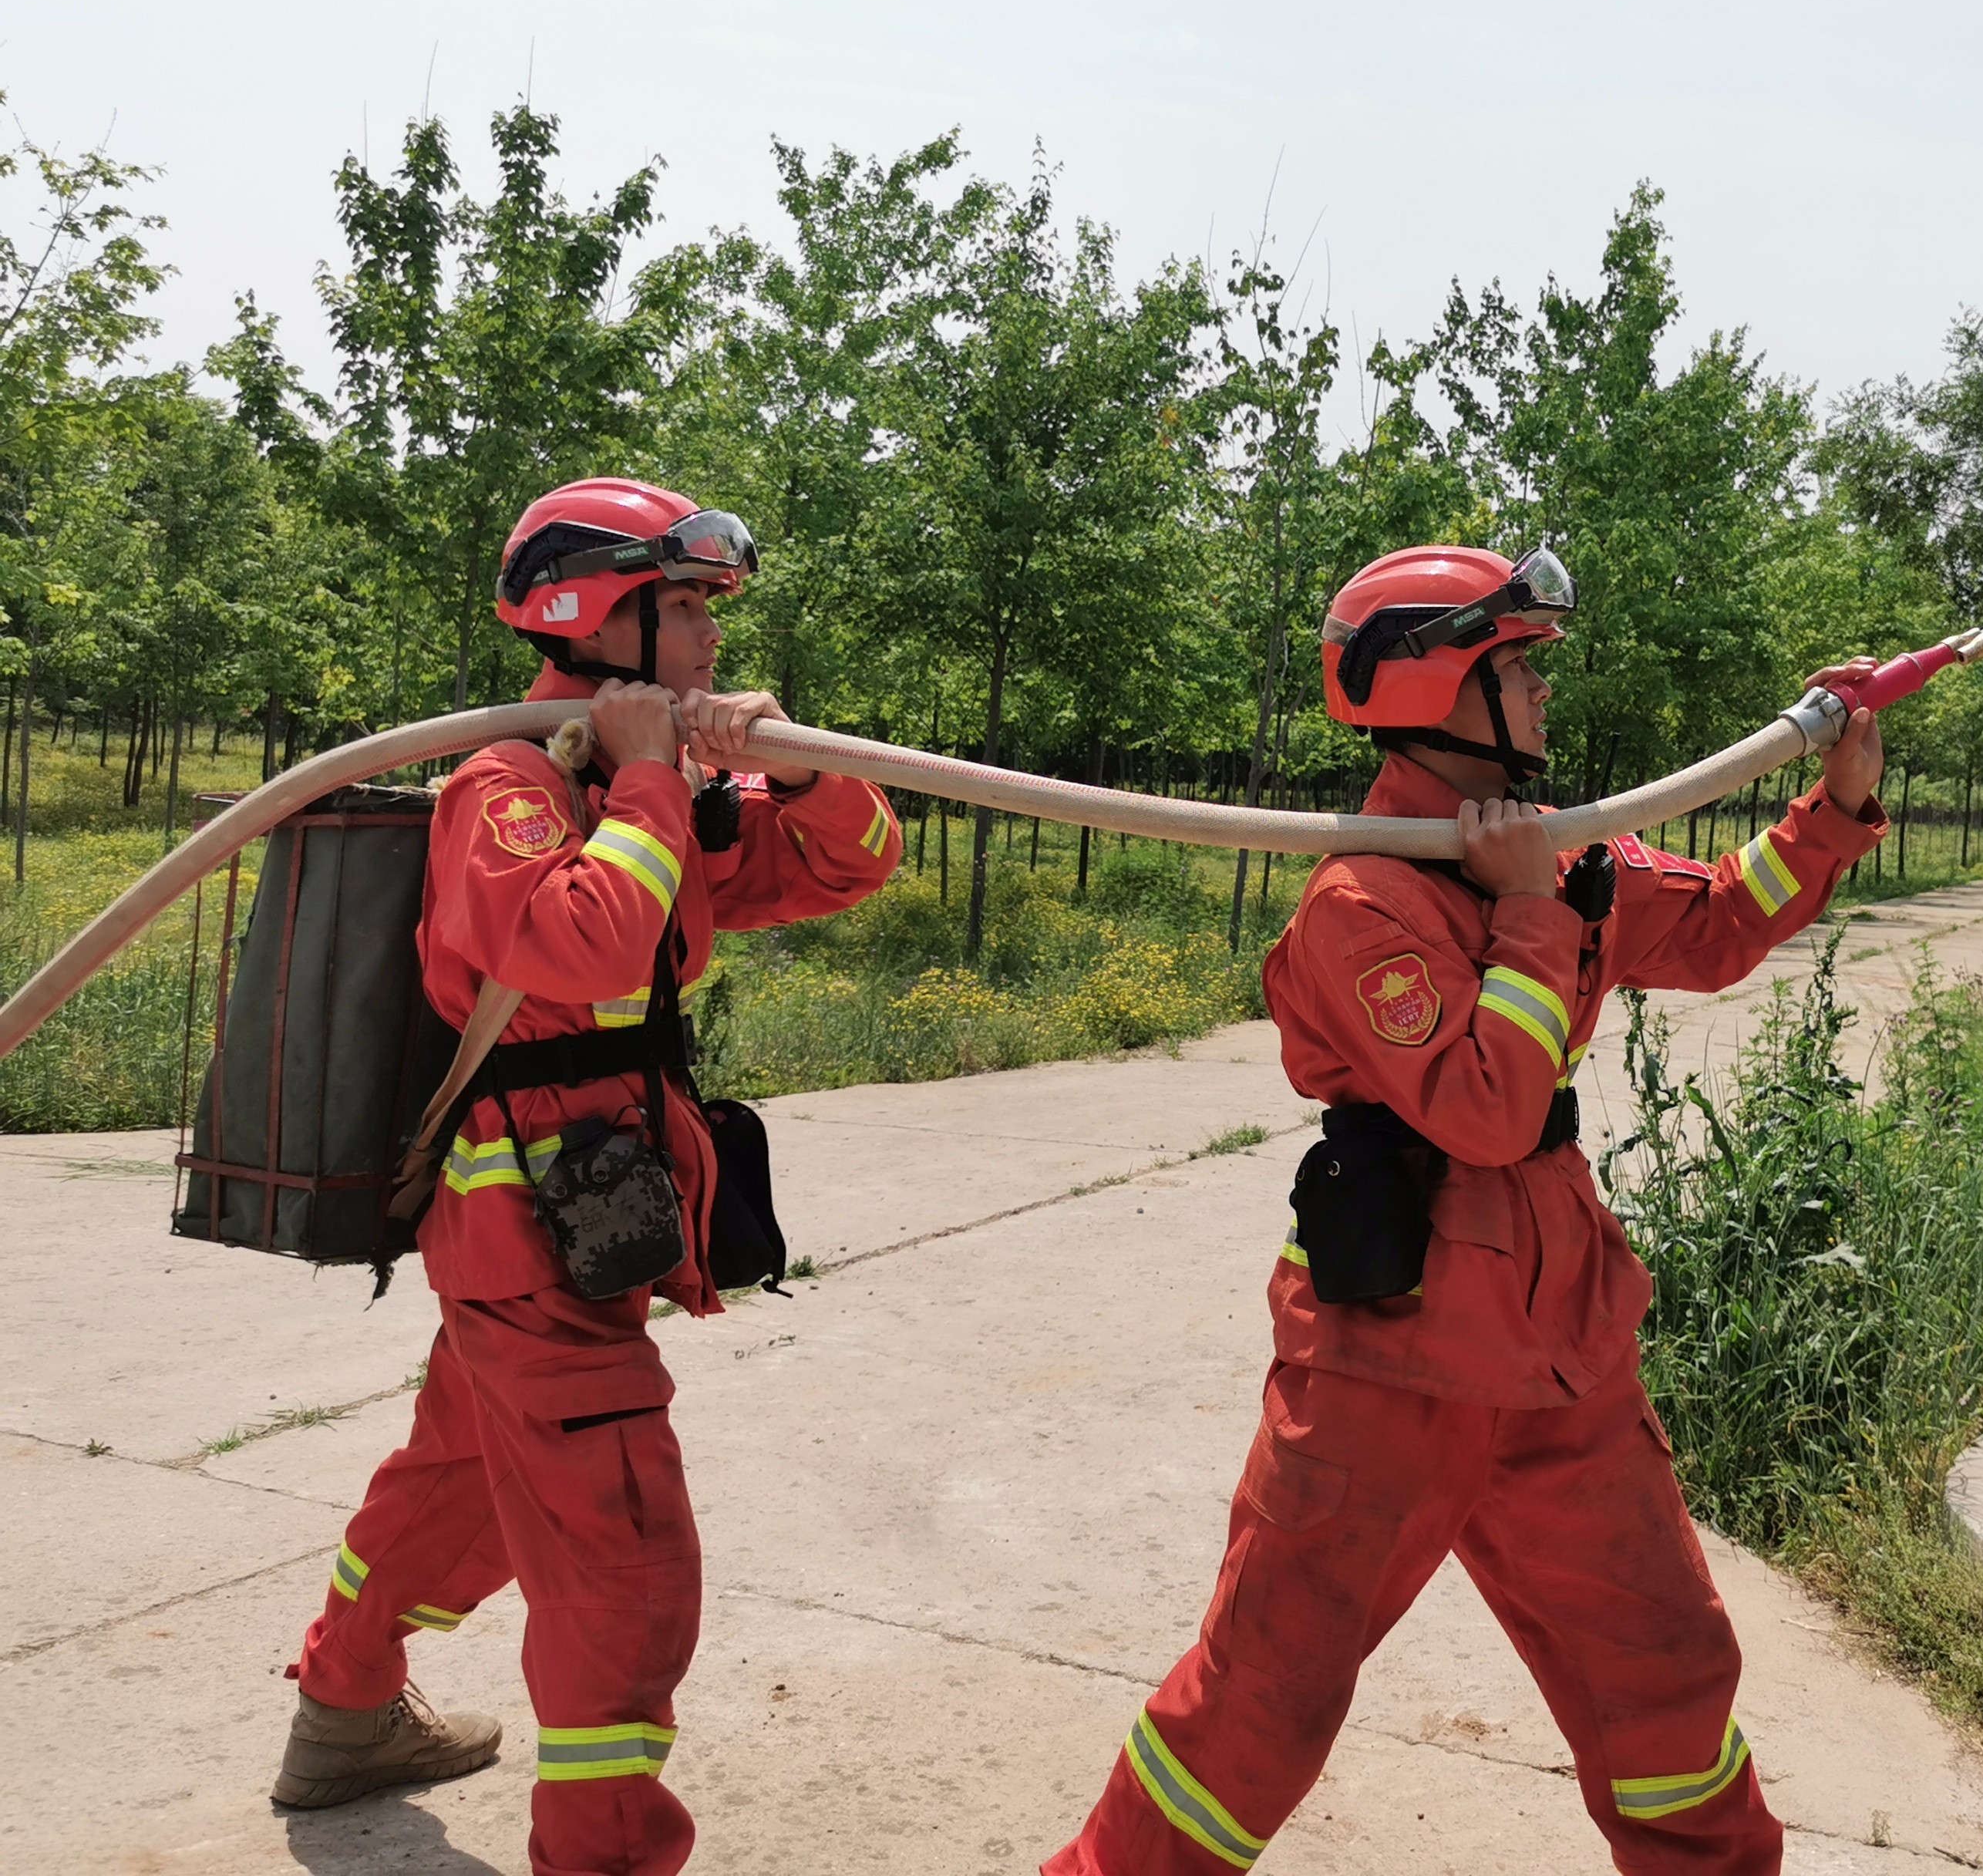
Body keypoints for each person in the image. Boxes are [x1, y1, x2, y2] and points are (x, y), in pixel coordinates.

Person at [1047, 544, 1890, 1876]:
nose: (1546, 698)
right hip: (1393, 1358)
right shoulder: (1362, 902)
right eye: (1517, 670)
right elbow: (1487, 1110)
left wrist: (1833, 812)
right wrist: (1526, 916)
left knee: (1666, 1668)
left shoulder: (1563, 858)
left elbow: (1723, 925)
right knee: (1264, 1695)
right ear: (1437, 688)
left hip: (1562, 1348)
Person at [270, 477, 901, 1876]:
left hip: (577, 1211)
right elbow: (584, 948)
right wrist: (656, 782)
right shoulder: (507, 787)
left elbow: (851, 864)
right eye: (682, 607)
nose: (709, 639)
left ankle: (343, 1711)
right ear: (591, 613)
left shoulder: (637, 783)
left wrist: (789, 768)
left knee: (462, 1482)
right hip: (525, 1226)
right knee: (624, 1569)